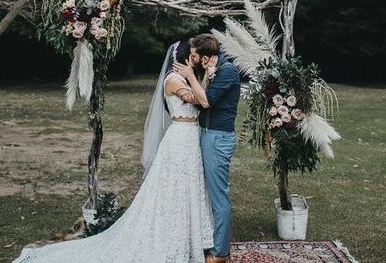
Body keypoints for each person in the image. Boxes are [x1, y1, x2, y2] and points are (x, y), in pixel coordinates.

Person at [12, 40, 215, 263]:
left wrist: (201, 75)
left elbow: (203, 97)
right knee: (175, 188)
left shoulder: (186, 78)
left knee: (189, 186)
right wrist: (200, 78)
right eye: (194, 56)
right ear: (185, 58)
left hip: (190, 137)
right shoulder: (173, 81)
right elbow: (202, 101)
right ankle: (170, 236)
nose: (197, 59)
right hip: (179, 139)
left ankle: (190, 237)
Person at [173, 33, 241, 263]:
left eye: (194, 56)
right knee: (209, 194)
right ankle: (210, 242)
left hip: (218, 139)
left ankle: (220, 253)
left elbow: (206, 101)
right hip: (208, 136)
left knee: (218, 196)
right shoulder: (214, 68)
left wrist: (191, 76)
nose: (191, 59)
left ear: (206, 58)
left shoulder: (228, 71)